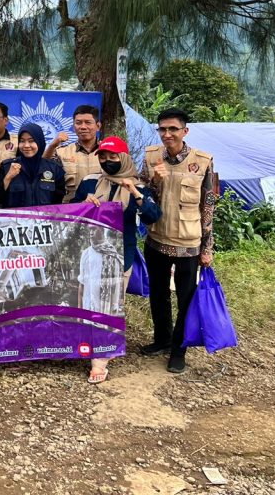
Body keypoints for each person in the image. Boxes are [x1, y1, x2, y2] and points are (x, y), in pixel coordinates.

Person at [73, 135, 161, 384]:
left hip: (122, 254)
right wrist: (83, 204)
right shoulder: (90, 182)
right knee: (91, 301)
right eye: (103, 156)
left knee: (111, 303)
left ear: (123, 158)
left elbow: (152, 216)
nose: (108, 160)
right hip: (91, 254)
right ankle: (91, 343)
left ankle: (99, 358)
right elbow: (71, 213)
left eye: (113, 156)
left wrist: (133, 191)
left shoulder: (139, 186)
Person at [139, 108, 215, 374]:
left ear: (185, 131)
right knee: (158, 293)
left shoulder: (203, 161)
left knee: (186, 298)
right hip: (156, 238)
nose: (167, 134)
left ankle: (178, 349)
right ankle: (162, 339)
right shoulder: (151, 157)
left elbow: (208, 205)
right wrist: (154, 183)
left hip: (188, 241)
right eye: (163, 129)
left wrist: (207, 247)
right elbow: (142, 197)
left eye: (173, 129)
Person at [0, 123, 66, 207]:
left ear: (39, 142)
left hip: (44, 219)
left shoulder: (54, 169)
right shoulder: (6, 167)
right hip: (13, 220)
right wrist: (8, 177)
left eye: (31, 141)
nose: (26, 145)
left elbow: (58, 205)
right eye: (22, 141)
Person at [44, 104, 103, 202]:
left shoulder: (109, 152)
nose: (83, 127)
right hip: (71, 210)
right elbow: (43, 167)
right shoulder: (62, 152)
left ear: (98, 126)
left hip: (101, 209)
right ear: (73, 126)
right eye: (78, 123)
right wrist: (52, 145)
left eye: (88, 122)